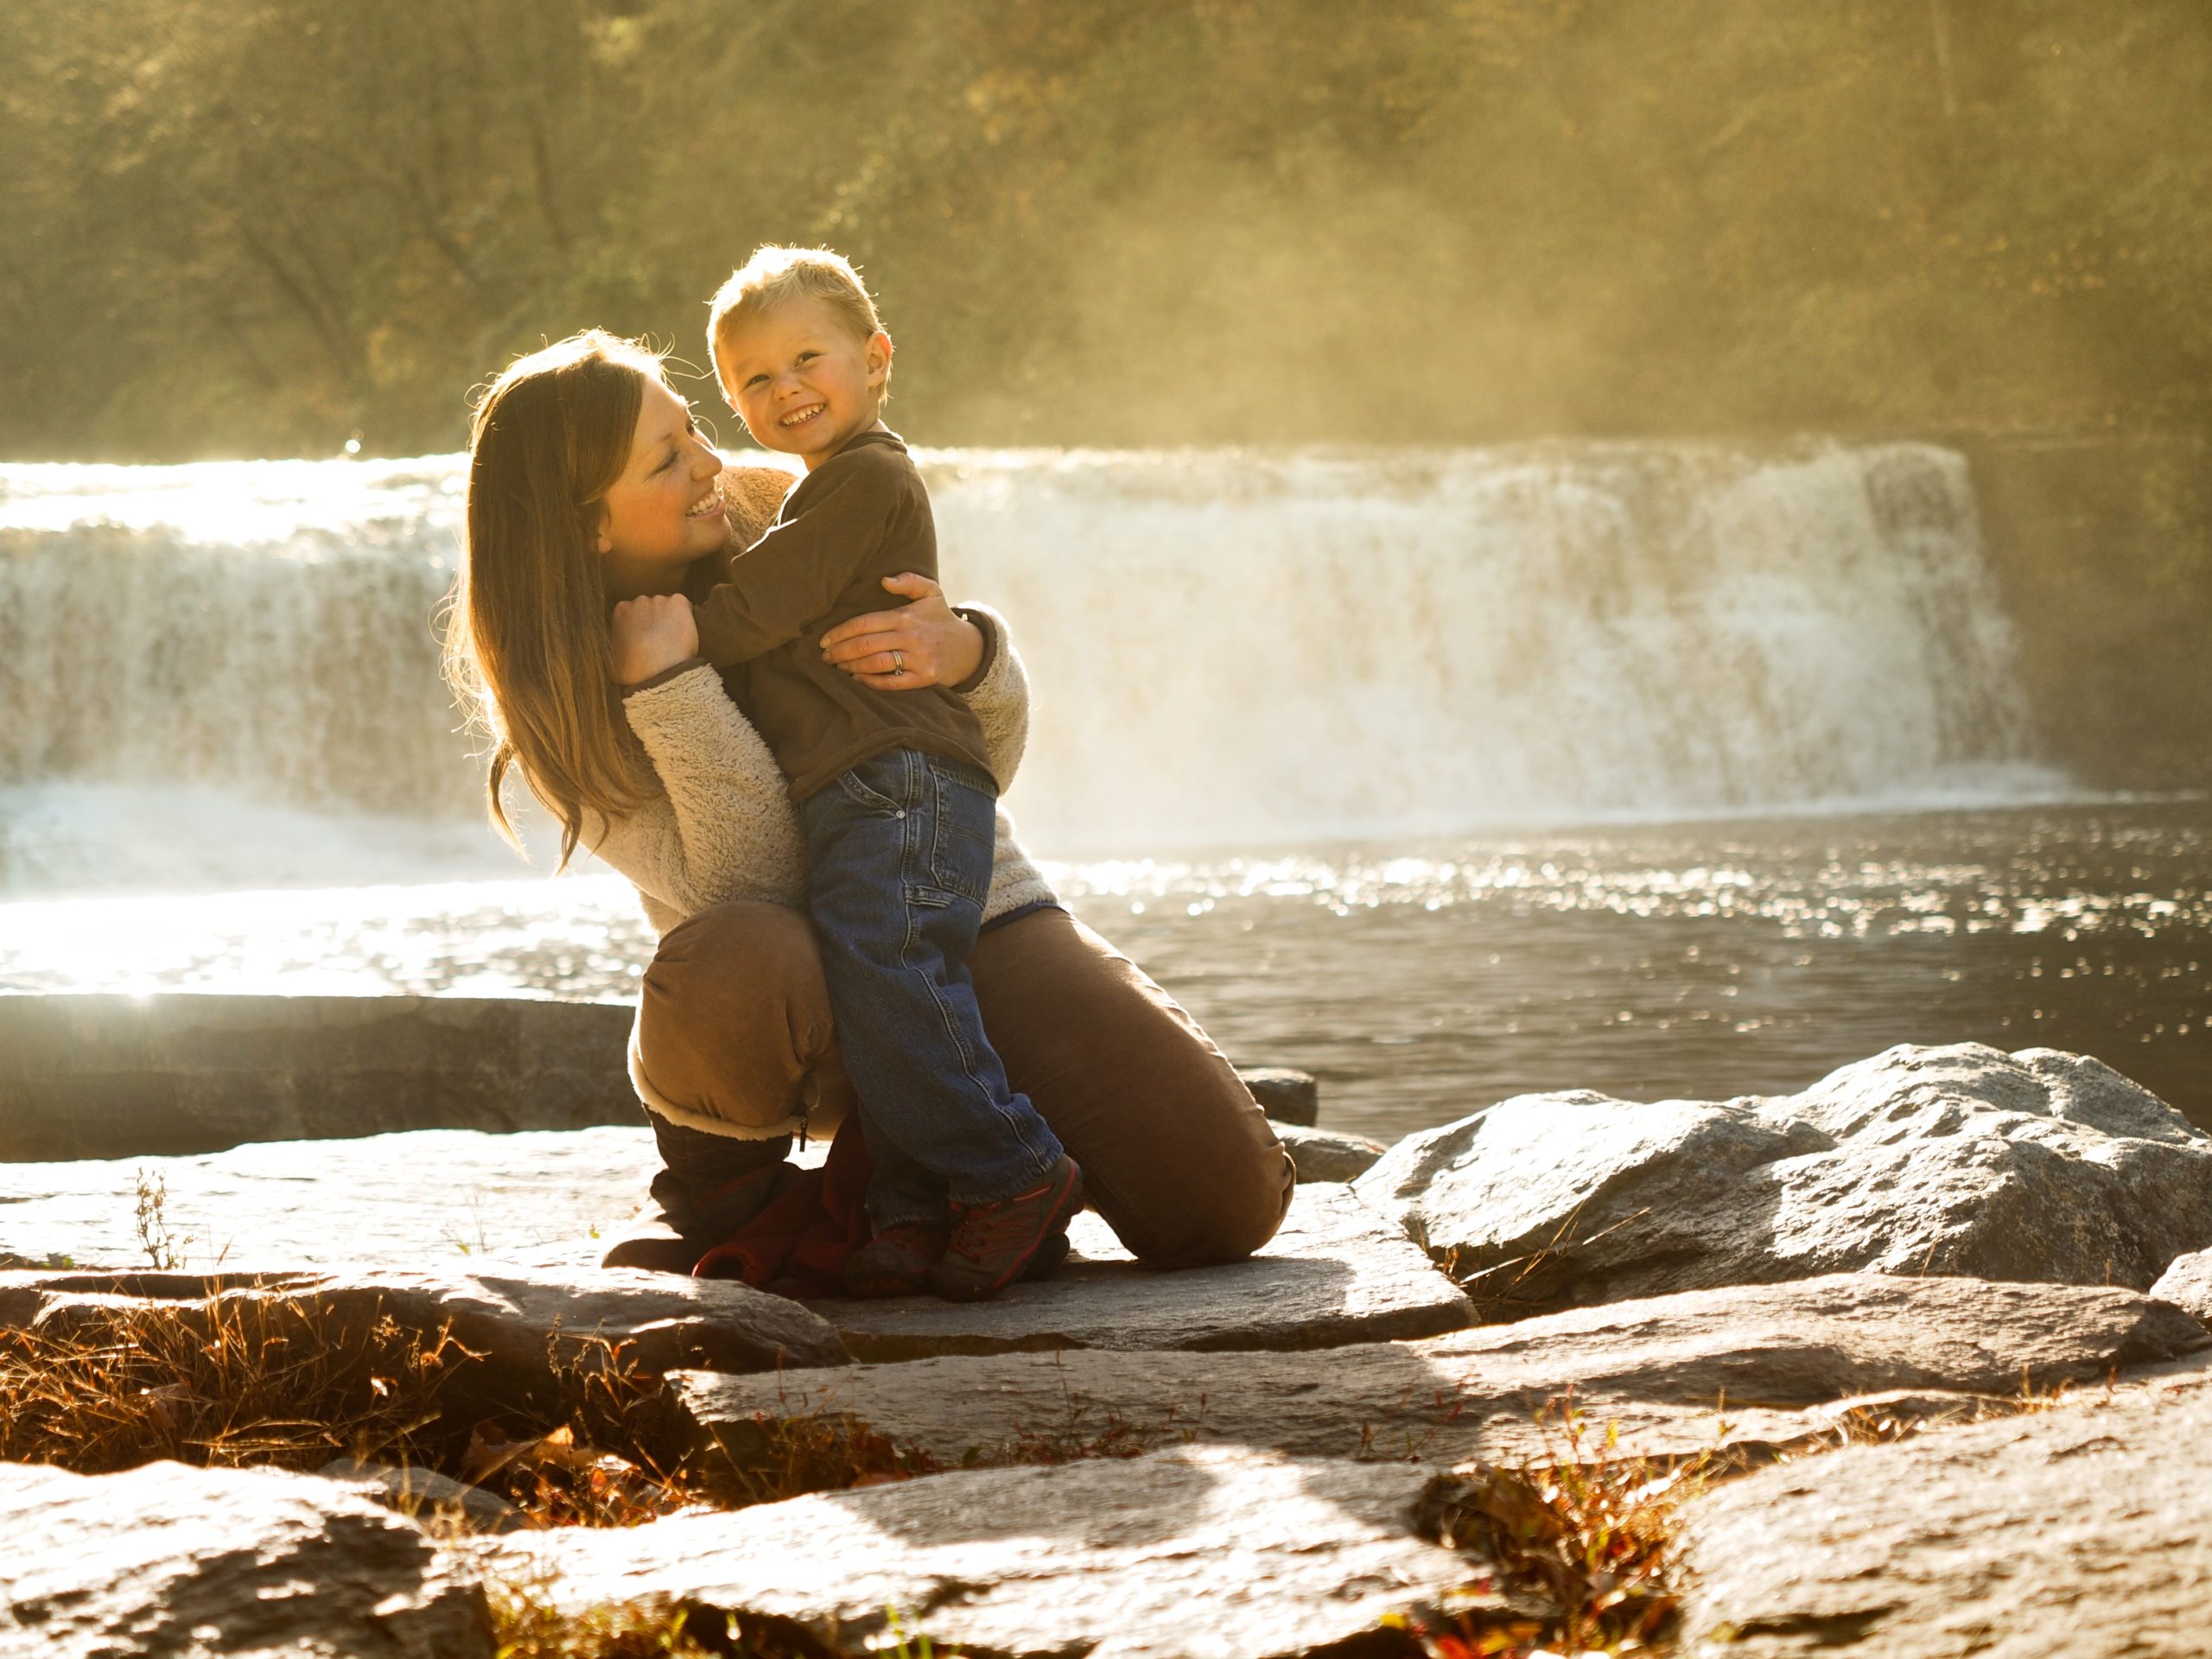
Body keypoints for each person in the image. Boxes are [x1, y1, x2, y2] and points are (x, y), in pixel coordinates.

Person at [444, 327, 1294, 1292]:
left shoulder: (778, 513)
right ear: (588, 525)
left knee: (1224, 1205)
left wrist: (969, 657)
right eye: (668, 457)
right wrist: (671, 688)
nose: (712, 462)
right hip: (791, 998)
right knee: (726, 955)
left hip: (970, 914)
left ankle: (976, 1177)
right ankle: (735, 1196)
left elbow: (972, 770)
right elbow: (758, 881)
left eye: (692, 430)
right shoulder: (563, 705)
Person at [666, 246, 1077, 1302]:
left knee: (892, 975)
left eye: (808, 358)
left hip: (899, 779)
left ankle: (1016, 1171)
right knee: (877, 986)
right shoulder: (823, 486)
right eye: (754, 379)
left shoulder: (867, 476)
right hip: (863, 783)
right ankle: (907, 1210)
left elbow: (769, 601)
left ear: (876, 358)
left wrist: (672, 637)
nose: (785, 387)